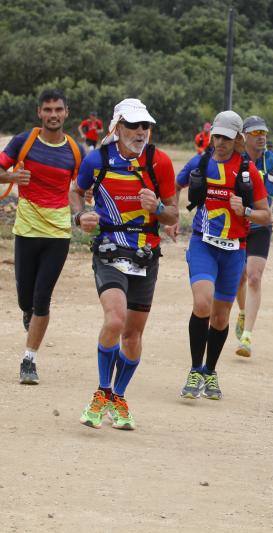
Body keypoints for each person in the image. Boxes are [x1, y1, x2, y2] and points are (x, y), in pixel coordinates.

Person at [71, 98, 178, 430]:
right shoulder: (97, 159)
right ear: (116, 127)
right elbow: (76, 190)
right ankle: (102, 391)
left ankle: (118, 396)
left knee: (132, 335)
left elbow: (174, 213)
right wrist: (80, 216)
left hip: (146, 252)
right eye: (133, 125)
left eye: (145, 125)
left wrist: (158, 206)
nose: (141, 132)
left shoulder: (159, 162)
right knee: (115, 320)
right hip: (109, 249)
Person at [170, 110, 270, 400]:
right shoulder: (200, 163)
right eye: (216, 136)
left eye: (226, 138)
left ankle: (209, 372)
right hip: (203, 244)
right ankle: (193, 369)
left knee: (221, 316)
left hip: (234, 249)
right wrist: (174, 215)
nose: (220, 143)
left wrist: (247, 211)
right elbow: (175, 186)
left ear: (237, 139)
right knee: (202, 303)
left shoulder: (248, 172)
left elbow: (266, 216)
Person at [0, 89, 84, 385]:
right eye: (47, 109)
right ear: (39, 112)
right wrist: (10, 177)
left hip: (58, 233)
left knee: (42, 298)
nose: (53, 115)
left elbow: (79, 189)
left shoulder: (75, 150)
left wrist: (80, 214)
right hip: (25, 229)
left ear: (66, 112)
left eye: (58, 109)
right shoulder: (24, 141)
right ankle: (29, 313)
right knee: (25, 298)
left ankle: (29, 360)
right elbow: (1, 168)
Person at [234, 116, 273, 357]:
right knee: (238, 279)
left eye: (263, 131)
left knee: (254, 277)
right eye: (255, 133)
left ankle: (247, 337)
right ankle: (243, 311)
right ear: (244, 137)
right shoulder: (236, 160)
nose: (261, 136)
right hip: (237, 226)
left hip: (261, 227)